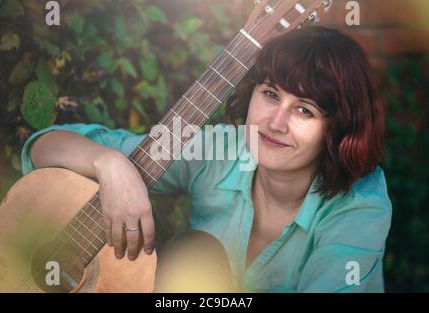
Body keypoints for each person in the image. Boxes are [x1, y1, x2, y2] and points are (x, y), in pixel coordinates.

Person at [21, 26, 392, 292]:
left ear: (338, 129)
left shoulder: (360, 202)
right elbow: (43, 148)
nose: (275, 123)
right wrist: (111, 165)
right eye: (270, 94)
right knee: (194, 254)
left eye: (305, 111)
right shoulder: (218, 149)